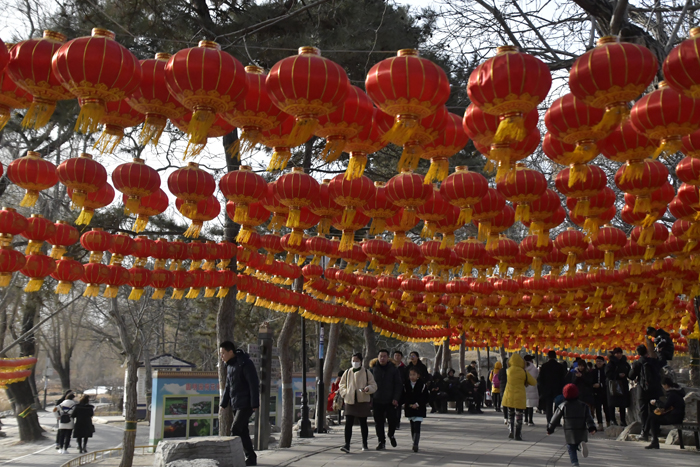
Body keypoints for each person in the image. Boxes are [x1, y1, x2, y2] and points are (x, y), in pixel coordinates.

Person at [219, 341, 260, 466]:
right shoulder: (230, 365)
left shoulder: (245, 363)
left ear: (231, 352)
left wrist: (254, 403)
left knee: (235, 429)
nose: (222, 356)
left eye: (223, 353)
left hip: (246, 403)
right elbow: (228, 386)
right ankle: (251, 457)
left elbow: (253, 384)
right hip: (236, 403)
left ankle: (233, 458)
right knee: (243, 432)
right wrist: (223, 403)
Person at [547, 384, 597, 467]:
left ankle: (575, 463)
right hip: (581, 429)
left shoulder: (563, 406)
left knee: (571, 447)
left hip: (570, 430)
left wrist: (550, 429)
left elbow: (555, 418)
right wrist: (591, 428)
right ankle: (581, 446)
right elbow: (589, 418)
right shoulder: (584, 405)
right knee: (578, 442)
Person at [339, 353, 377, 453]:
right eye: (353, 360)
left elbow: (373, 385)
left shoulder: (366, 372)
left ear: (360, 361)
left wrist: (368, 389)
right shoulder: (347, 372)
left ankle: (365, 443)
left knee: (363, 423)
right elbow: (341, 385)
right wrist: (345, 393)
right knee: (348, 424)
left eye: (357, 360)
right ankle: (347, 444)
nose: (355, 362)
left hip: (362, 400)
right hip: (350, 400)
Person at [629, 344, 663, 442]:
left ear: (638, 353)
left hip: (643, 390)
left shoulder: (637, 363)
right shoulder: (654, 361)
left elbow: (631, 376)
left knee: (643, 411)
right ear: (647, 352)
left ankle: (644, 432)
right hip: (655, 390)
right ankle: (655, 430)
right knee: (655, 410)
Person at [370, 349, 402, 450]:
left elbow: (398, 385)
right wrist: (370, 398)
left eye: (384, 356)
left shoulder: (393, 369)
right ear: (378, 357)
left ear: (388, 358)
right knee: (378, 422)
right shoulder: (373, 369)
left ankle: (391, 434)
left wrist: (395, 398)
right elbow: (369, 384)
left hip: (390, 400)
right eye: (380, 356)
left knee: (393, 420)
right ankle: (381, 441)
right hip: (377, 400)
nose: (382, 358)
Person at [502, 354, 537, 441]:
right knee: (519, 415)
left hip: (509, 395)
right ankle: (518, 434)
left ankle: (511, 429)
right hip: (520, 396)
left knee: (510, 414)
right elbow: (533, 382)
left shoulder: (508, 371)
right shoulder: (523, 372)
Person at [646, 377, 686, 449]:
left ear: (666, 385)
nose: (663, 388)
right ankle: (650, 436)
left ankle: (651, 438)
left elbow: (665, 406)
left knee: (652, 418)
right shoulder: (677, 392)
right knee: (653, 417)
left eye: (663, 386)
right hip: (678, 416)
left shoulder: (672, 394)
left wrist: (656, 402)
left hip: (674, 417)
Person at [538, 351, 568, 425]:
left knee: (549, 405)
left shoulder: (544, 366)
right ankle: (556, 421)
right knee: (558, 406)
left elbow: (540, 379)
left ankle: (549, 421)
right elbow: (563, 378)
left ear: (548, 356)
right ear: (555, 356)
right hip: (557, 389)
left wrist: (542, 389)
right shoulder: (560, 366)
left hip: (547, 389)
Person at [403, 368, 429, 453]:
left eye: (414, 375)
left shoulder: (422, 385)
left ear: (418, 376)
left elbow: (425, 397)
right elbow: (404, 396)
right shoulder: (406, 385)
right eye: (410, 375)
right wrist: (407, 404)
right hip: (410, 408)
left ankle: (416, 443)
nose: (412, 377)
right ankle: (414, 440)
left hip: (419, 408)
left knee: (417, 425)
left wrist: (417, 404)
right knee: (412, 426)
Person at [605, 348, 630, 426]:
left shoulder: (625, 363)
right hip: (613, 385)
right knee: (612, 404)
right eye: (617, 353)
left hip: (623, 385)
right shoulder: (611, 363)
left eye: (620, 353)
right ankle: (612, 420)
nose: (618, 355)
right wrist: (617, 375)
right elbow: (608, 373)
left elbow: (629, 371)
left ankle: (623, 420)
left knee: (622, 404)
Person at [590, 356, 610, 430]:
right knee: (598, 409)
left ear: (603, 362)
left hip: (605, 392)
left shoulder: (606, 370)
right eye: (597, 361)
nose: (598, 363)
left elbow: (607, 381)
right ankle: (600, 424)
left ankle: (608, 423)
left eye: (600, 361)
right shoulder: (593, 371)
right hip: (596, 392)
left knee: (606, 408)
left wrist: (601, 385)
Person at [393, 350, 408, 429]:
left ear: (401, 357)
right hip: (391, 389)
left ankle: (397, 423)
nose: (397, 357)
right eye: (395, 355)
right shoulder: (390, 367)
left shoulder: (404, 368)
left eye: (398, 355)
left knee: (398, 407)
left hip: (400, 390)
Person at [524, 355, 539, 426]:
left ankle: (525, 419)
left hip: (524, 387)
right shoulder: (534, 368)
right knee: (531, 405)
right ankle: (530, 420)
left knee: (525, 404)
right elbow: (536, 376)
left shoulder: (522, 368)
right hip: (532, 387)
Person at [498, 358, 509, 425]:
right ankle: (508, 416)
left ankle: (506, 418)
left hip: (502, 387)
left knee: (504, 402)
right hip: (508, 387)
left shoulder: (501, 370)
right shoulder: (510, 370)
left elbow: (499, 378)